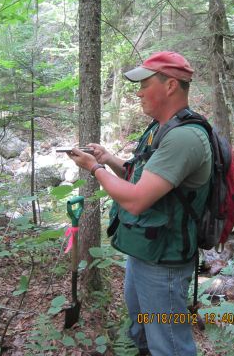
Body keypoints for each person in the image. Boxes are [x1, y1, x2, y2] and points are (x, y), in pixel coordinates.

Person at [68, 51, 212, 356]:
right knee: (142, 327)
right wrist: (107, 158)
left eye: (144, 84)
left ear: (170, 86)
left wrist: (94, 168)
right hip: (146, 249)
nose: (138, 91)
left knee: (169, 342)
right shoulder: (162, 127)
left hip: (166, 261)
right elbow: (144, 179)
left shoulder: (185, 138)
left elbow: (135, 200)